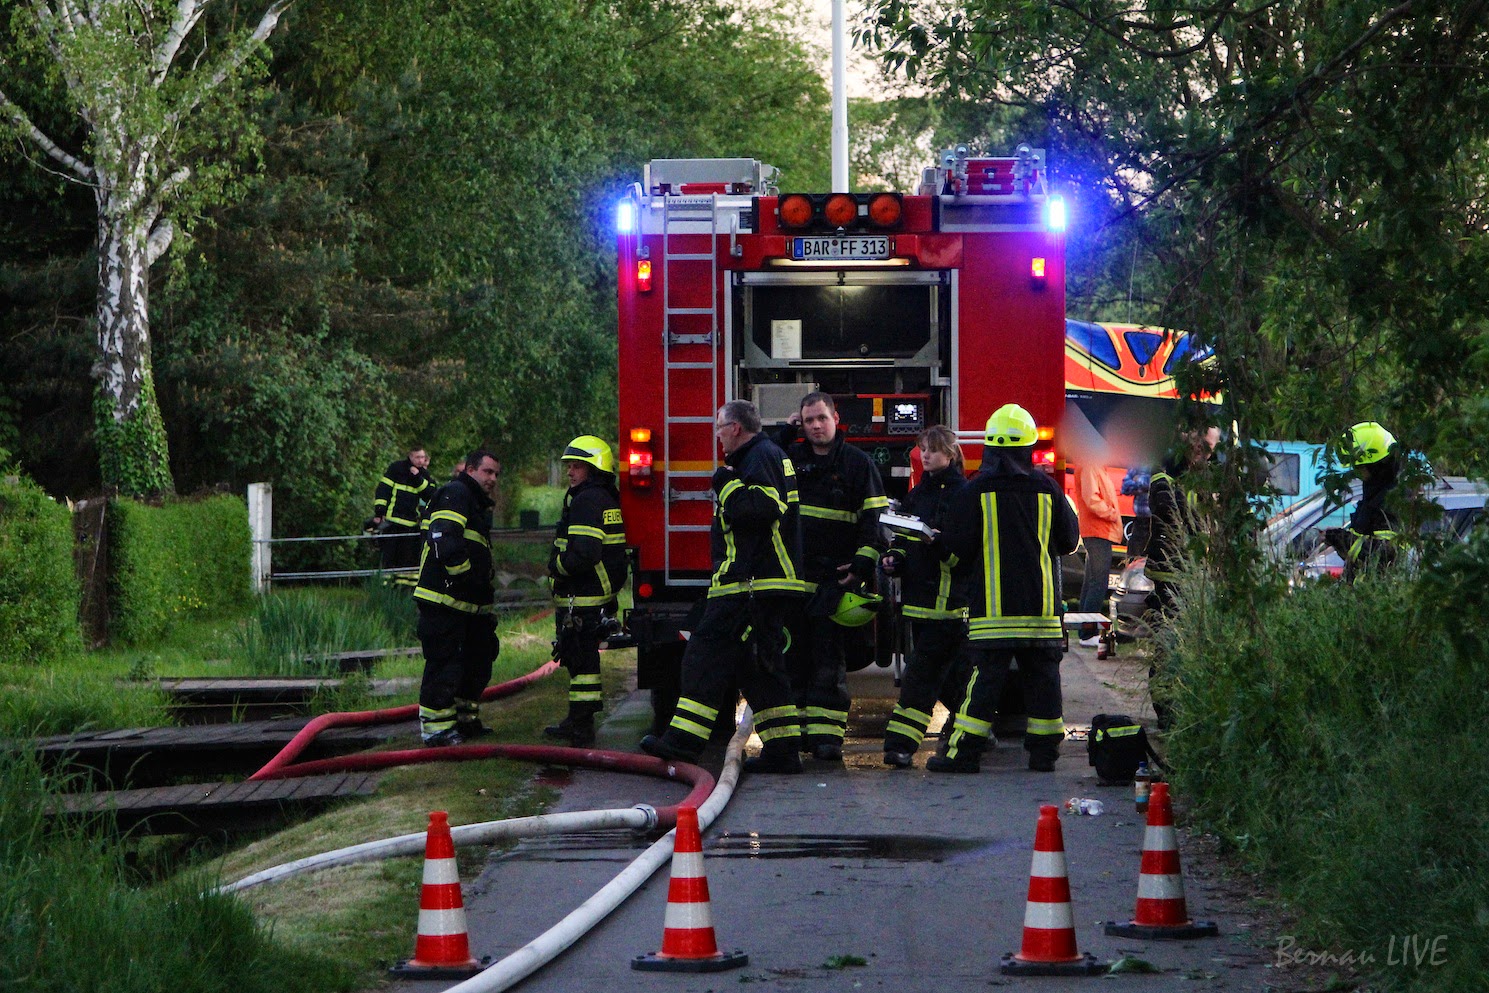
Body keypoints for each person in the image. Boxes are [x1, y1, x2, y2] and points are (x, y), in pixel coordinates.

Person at [640, 400, 806, 773]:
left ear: (735, 428)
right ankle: (783, 752)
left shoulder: (757, 458)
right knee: (760, 667)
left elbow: (762, 507)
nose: (716, 435)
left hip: (749, 583)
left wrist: (725, 484)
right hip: (759, 582)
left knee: (704, 655)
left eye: (719, 427)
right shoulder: (764, 454)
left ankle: (682, 743)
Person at [930, 404, 1080, 773]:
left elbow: (956, 549)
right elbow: (1070, 540)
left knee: (981, 686)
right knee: (1044, 683)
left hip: (993, 615)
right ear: (1028, 448)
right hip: (1042, 612)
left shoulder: (974, 491)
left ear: (991, 447)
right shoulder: (1048, 489)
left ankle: (963, 755)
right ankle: (1044, 756)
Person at [779, 391, 888, 761]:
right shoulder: (789, 459)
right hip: (793, 580)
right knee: (791, 661)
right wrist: (783, 434)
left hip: (832, 580)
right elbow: (757, 465)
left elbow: (875, 522)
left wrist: (861, 566)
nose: (815, 426)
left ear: (835, 418)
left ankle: (827, 740)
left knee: (828, 663)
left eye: (821, 418)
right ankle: (792, 738)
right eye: (808, 420)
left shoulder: (858, 464)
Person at [880, 425, 970, 768]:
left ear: (950, 453)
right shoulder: (918, 495)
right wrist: (895, 559)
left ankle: (900, 746)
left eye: (932, 449)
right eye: (922, 449)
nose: (925, 455)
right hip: (919, 603)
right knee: (950, 680)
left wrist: (938, 545)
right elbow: (904, 538)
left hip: (947, 605)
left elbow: (965, 554)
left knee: (920, 679)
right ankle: (974, 727)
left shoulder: (963, 495)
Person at [412, 450, 502, 746]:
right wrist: (464, 578)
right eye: (488, 472)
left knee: (478, 660)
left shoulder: (474, 503)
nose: (492, 479)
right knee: (445, 662)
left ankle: (465, 721)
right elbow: (444, 539)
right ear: (471, 469)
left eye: (496, 474)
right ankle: (437, 730)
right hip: (444, 601)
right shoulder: (455, 493)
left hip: (468, 606)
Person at [543, 436, 628, 746]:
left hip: (583, 594)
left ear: (594, 469)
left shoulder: (587, 500)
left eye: (577, 466)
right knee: (582, 661)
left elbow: (586, 552)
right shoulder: (602, 497)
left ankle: (580, 726)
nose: (570, 472)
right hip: (594, 593)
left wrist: (557, 568)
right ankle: (579, 720)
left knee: (580, 659)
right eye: (569, 466)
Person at [1145, 426, 1220, 622]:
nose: (1201, 451)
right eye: (1198, 445)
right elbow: (1166, 507)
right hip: (1168, 562)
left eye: (1208, 448)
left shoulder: (1208, 474)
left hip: (1193, 566)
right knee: (1168, 619)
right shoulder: (1167, 467)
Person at [1323, 421, 1400, 581]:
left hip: (1380, 598)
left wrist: (1341, 539)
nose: (1357, 473)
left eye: (1360, 467)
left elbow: (1382, 555)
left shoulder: (1392, 502)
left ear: (1377, 466)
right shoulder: (1374, 498)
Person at [372, 446, 435, 585]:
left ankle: (406, 589)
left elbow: (430, 494)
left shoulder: (424, 475)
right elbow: (383, 489)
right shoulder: (396, 469)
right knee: (389, 556)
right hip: (392, 521)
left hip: (411, 523)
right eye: (417, 457)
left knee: (408, 559)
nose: (420, 460)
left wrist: (417, 477)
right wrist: (379, 511)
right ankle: (385, 587)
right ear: (410, 456)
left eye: (422, 457)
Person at [1075, 463, 1122, 647]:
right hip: (1098, 530)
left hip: (1098, 530)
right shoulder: (1090, 465)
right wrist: (1111, 513)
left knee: (1091, 582)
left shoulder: (1096, 465)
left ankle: (1084, 630)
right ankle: (1088, 633)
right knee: (1098, 582)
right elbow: (1091, 498)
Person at [1121, 465, 1152, 556]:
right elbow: (1125, 487)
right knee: (1133, 558)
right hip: (1141, 522)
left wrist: (1138, 480)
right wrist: (1145, 485)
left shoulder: (1167, 460)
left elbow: (1161, 483)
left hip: (1160, 523)